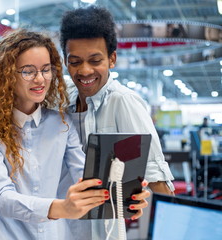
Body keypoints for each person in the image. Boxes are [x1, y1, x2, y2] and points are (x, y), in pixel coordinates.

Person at [0, 29, 124, 239]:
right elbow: (1, 197)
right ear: (6, 75)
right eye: (28, 71)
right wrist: (61, 208)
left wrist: (123, 195)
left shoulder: (61, 123)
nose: (40, 79)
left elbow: (84, 177)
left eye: (46, 70)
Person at [58, 5, 175, 239]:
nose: (85, 70)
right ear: (65, 61)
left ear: (112, 59)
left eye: (95, 60)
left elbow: (155, 173)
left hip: (99, 231)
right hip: (59, 225)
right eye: (75, 62)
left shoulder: (123, 102)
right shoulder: (62, 100)